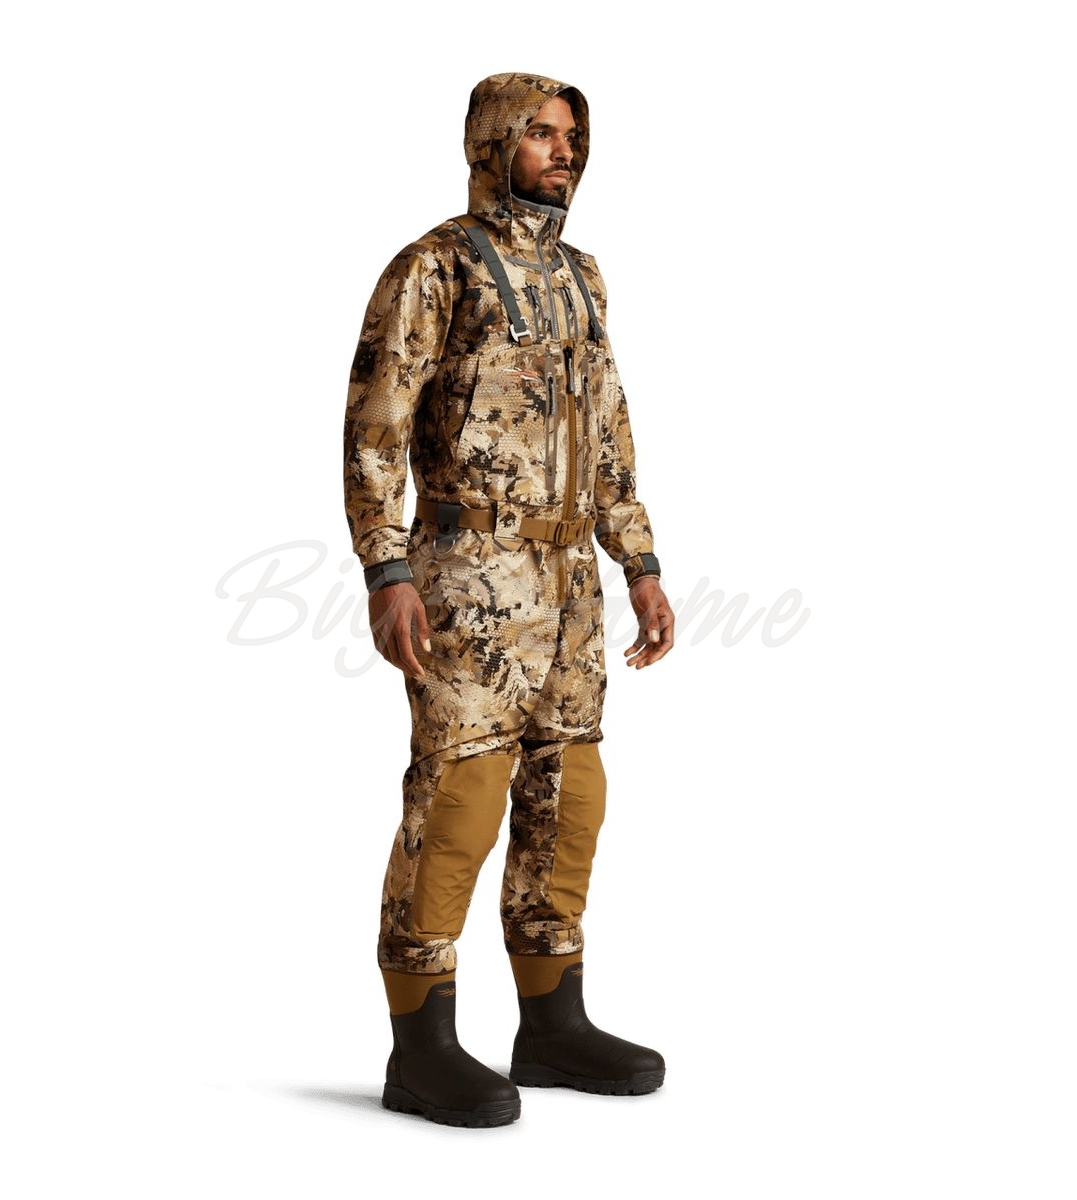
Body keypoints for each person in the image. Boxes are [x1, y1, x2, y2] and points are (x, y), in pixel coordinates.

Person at [343, 71, 675, 1128]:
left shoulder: (582, 275)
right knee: (461, 799)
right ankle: (421, 1047)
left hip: (570, 579)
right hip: (467, 573)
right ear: (492, 143)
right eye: (539, 133)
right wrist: (386, 568)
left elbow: (609, 427)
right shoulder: (435, 267)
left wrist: (639, 562)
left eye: (571, 134)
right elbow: (377, 425)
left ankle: (552, 1024)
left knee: (569, 793)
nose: (562, 150)